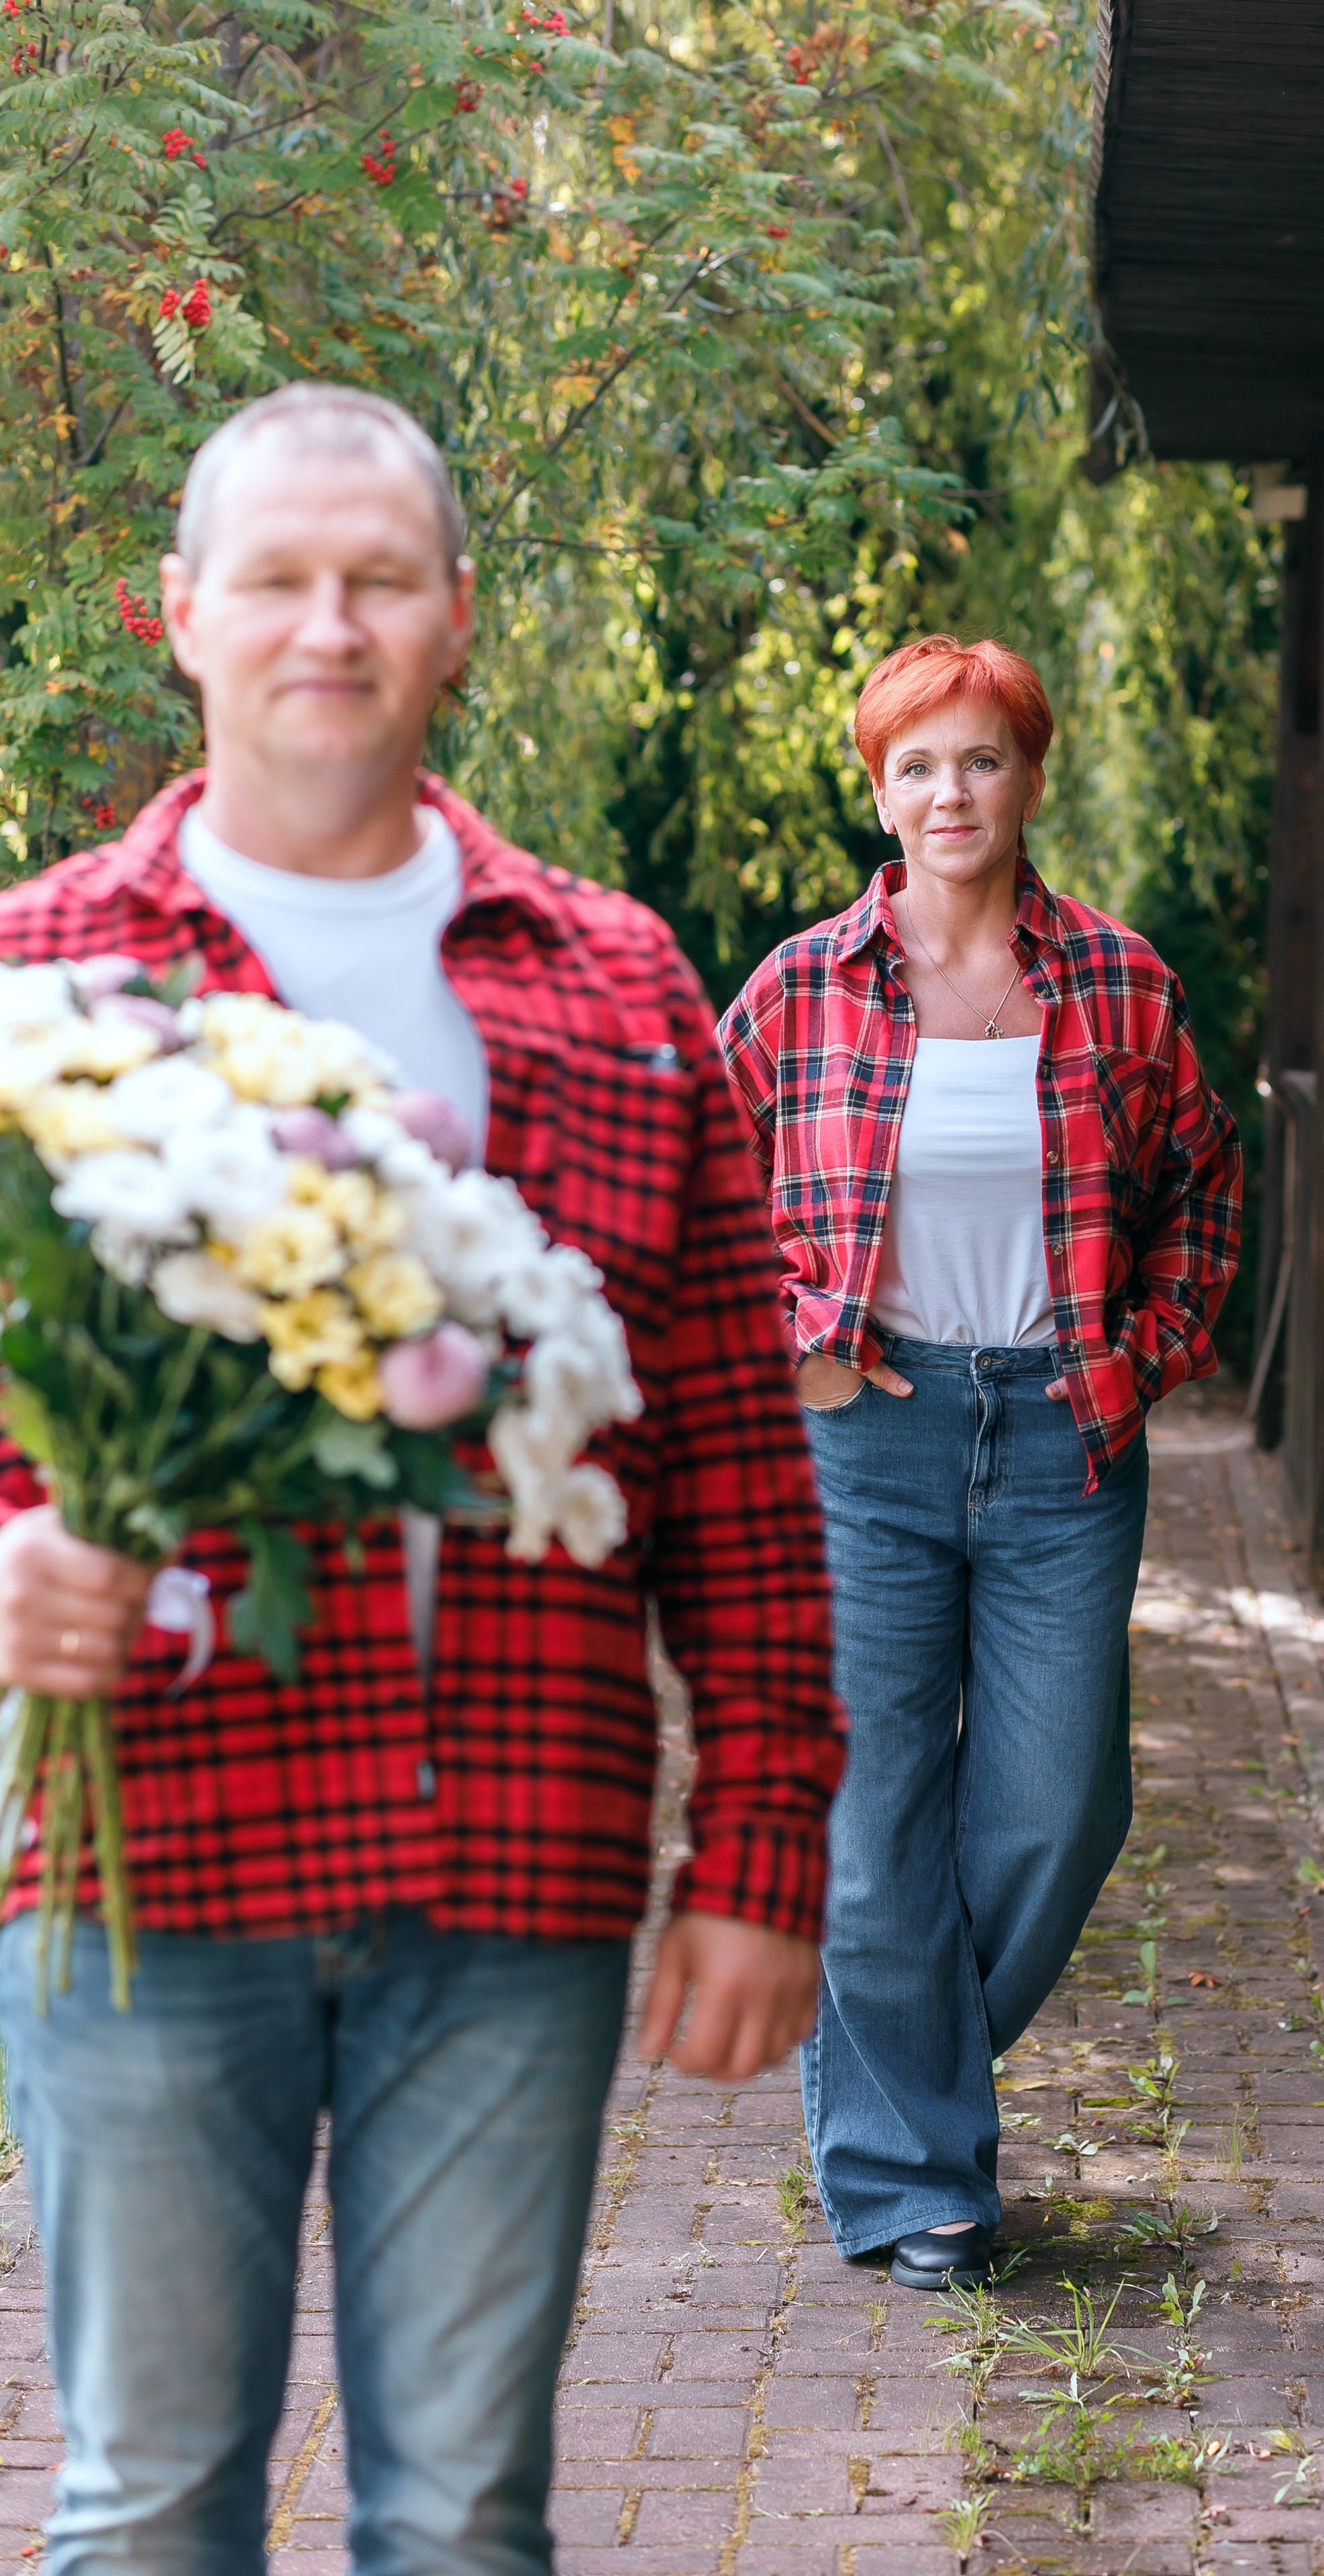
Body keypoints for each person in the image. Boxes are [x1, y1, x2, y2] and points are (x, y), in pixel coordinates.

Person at [0, 382, 844, 2571]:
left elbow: (737, 1461)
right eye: (277, 578)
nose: (329, 625)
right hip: (141, 1848)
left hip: (515, 1860)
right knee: (148, 2507)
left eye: (379, 579)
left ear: (458, 617)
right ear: (177, 613)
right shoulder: (35, 978)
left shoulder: (622, 983)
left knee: (465, 2518)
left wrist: (761, 1846)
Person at [719, 635, 1240, 2289]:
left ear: (1029, 776)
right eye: (917, 765)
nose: (952, 793)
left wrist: (1130, 1363)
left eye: (982, 760)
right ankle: (917, 2184)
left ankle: (887, 2074)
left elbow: (1206, 1200)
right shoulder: (799, 989)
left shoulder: (1120, 988)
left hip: (1058, 1439)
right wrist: (797, 1323)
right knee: (869, 1820)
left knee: (1056, 1807)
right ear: (878, 791)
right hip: (860, 1438)